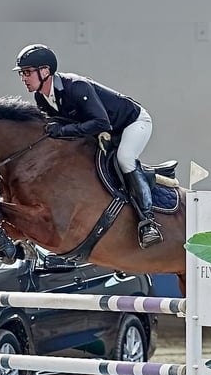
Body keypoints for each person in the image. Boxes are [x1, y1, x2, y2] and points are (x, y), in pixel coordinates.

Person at [13, 43, 163, 249]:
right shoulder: (41, 97)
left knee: (125, 158)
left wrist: (63, 130)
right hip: (101, 131)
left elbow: (101, 122)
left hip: (132, 123)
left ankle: (148, 222)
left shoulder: (76, 86)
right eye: (22, 74)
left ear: (45, 71)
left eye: (27, 72)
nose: (24, 78)